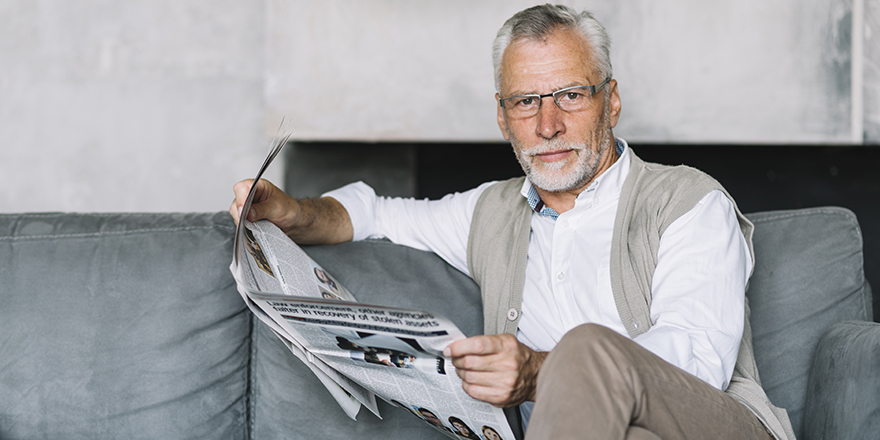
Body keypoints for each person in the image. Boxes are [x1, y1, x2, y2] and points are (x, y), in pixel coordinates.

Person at [230, 4, 794, 439]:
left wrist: (545, 372)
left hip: (713, 427)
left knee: (589, 350)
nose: (548, 125)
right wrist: (295, 212)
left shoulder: (688, 201)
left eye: (569, 95)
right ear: (503, 118)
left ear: (611, 101)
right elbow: (375, 212)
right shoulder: (491, 212)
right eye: (526, 102)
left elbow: (699, 361)